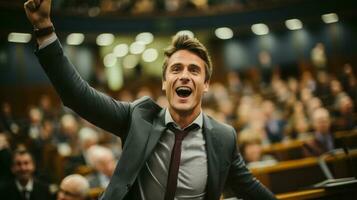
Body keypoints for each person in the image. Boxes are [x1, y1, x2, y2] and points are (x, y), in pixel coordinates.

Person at [24, 0, 276, 199]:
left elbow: (250, 188)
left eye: (194, 70)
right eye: (176, 69)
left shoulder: (223, 136)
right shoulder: (137, 116)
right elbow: (77, 96)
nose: (184, 76)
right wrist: (44, 28)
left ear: (206, 84)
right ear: (165, 82)